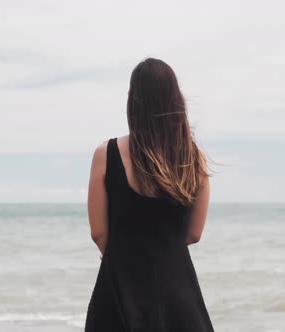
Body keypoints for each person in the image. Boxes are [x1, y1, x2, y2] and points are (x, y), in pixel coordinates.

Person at [85, 57, 214, 331]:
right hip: (177, 290)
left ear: (133, 100)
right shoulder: (194, 158)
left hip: (118, 288)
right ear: (175, 100)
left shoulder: (105, 154)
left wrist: (126, 257)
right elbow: (193, 234)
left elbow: (98, 232)